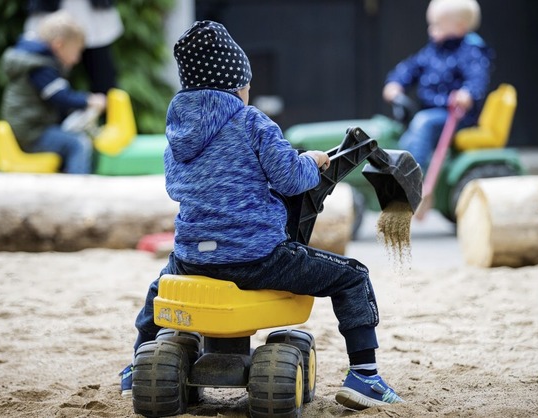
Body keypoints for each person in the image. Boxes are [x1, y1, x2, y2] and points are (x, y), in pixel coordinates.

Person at [119, 20, 404, 410]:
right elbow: (291, 181)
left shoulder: (178, 131)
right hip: (257, 258)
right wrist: (311, 160)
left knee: (158, 293)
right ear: (238, 85)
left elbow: (175, 187)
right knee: (352, 277)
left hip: (192, 259)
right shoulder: (251, 122)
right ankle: (365, 377)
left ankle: (138, 364)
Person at [382, 0, 493, 171]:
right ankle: (398, 171)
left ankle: (413, 174)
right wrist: (395, 83)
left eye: (437, 25)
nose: (431, 30)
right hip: (430, 114)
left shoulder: (470, 51)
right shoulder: (434, 50)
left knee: (423, 123)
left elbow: (477, 78)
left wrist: (467, 93)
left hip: (456, 116)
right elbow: (412, 67)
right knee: (407, 135)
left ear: (460, 27)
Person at [0, 10, 106, 174]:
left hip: (30, 127)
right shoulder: (40, 67)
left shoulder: (36, 60)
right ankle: (78, 188)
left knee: (70, 132)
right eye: (76, 51)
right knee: (78, 143)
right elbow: (61, 97)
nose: (77, 59)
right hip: (31, 132)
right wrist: (89, 100)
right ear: (59, 45)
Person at [25, 0, 124, 95]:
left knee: (104, 81)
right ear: (58, 44)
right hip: (49, 11)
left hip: (94, 18)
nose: (77, 60)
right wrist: (85, 101)